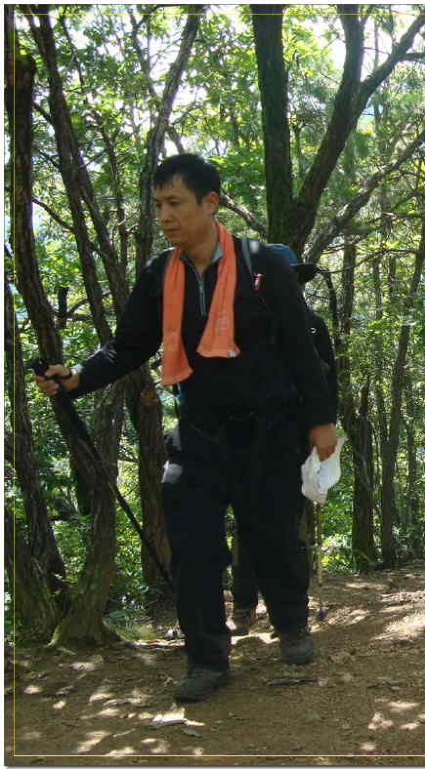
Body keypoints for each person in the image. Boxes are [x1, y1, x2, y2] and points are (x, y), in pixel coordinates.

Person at [33, 154, 337, 703]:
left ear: (210, 203)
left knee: (270, 534)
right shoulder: (159, 276)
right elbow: (128, 347)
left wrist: (321, 424)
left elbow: (301, 350)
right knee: (193, 544)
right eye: (159, 206)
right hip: (199, 431)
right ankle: (206, 658)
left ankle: (291, 624)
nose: (166, 216)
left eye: (175, 203)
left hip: (269, 429)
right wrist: (76, 377)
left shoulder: (262, 264)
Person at [230, 246, 337, 635]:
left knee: (290, 526)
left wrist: (323, 430)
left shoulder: (314, 326)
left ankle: (290, 614)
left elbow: (328, 383)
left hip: (296, 438)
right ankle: (243, 605)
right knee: (246, 523)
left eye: (294, 278)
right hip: (248, 437)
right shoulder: (246, 323)